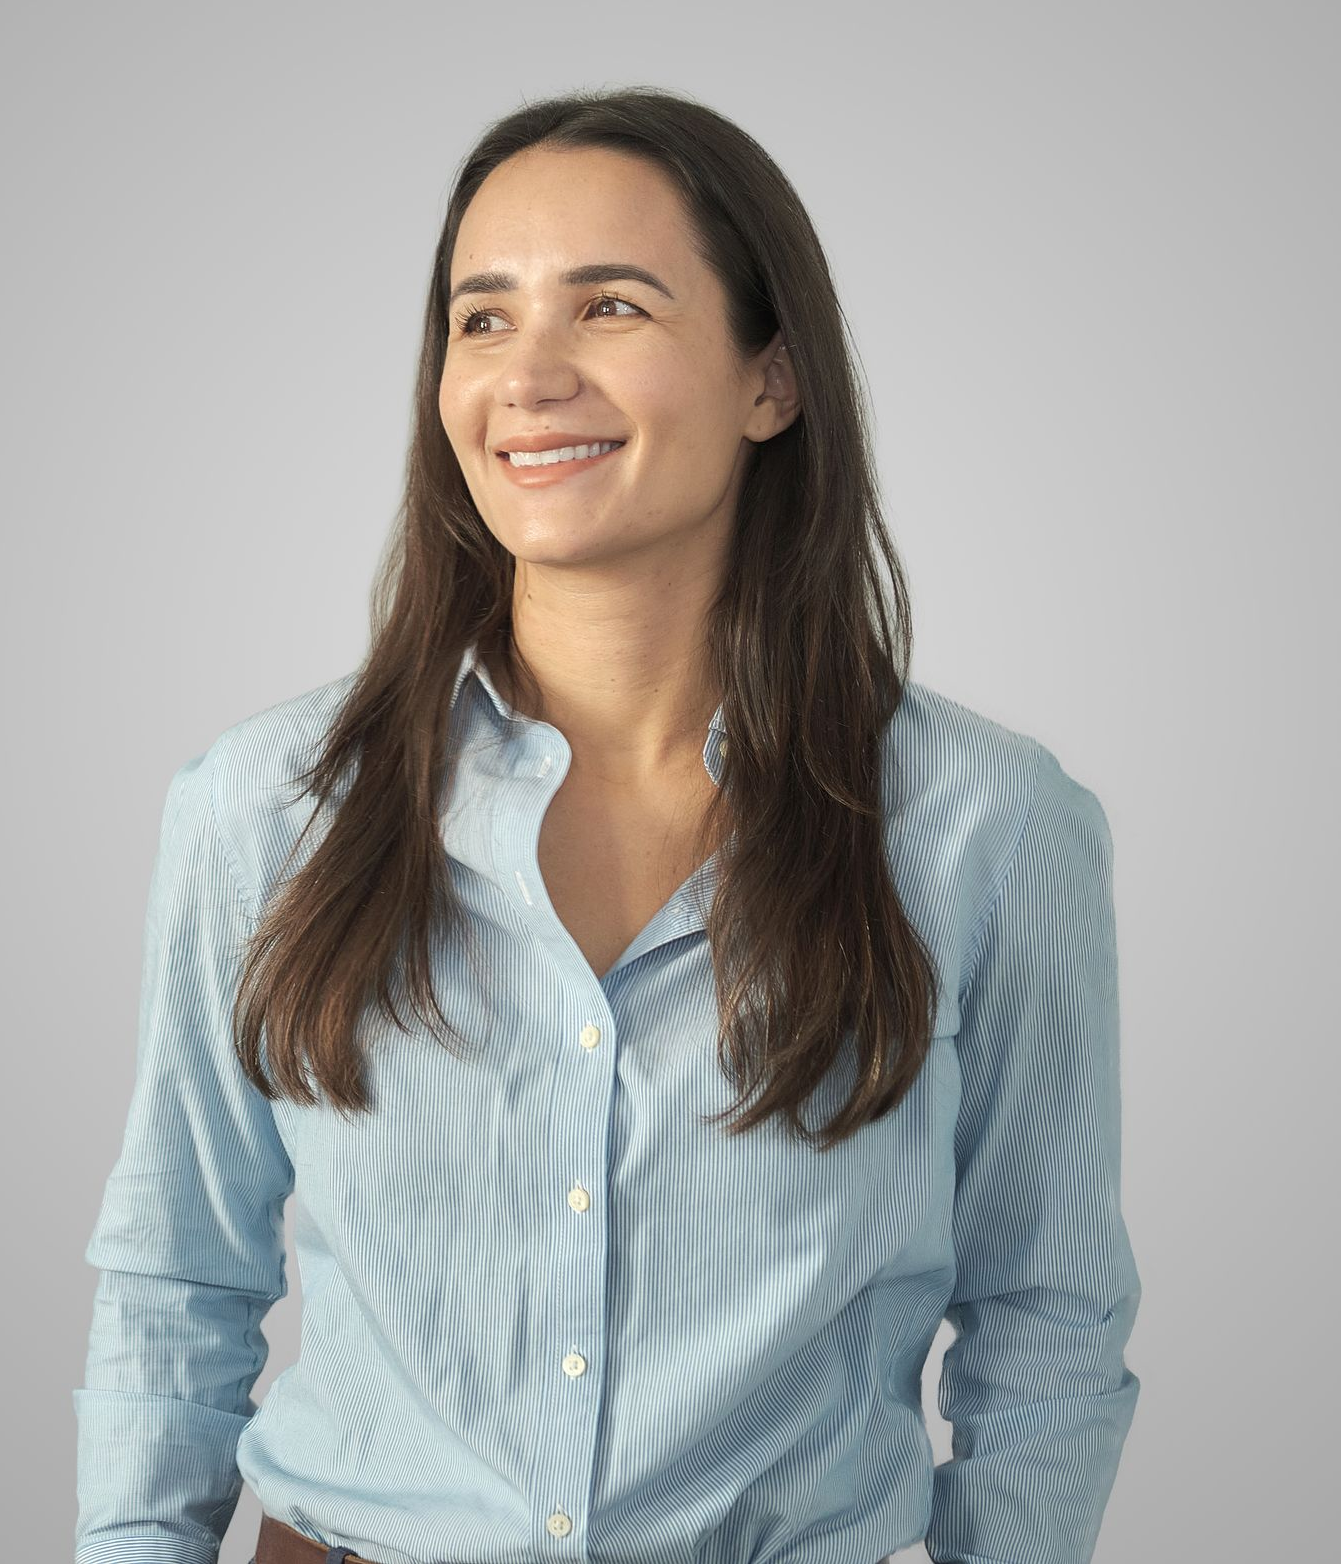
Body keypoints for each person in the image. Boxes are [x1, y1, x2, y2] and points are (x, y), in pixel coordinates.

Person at [73, 86, 1141, 1564]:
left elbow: (1049, 1318)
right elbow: (173, 1283)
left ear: (773, 380)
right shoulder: (266, 809)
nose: (529, 376)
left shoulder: (988, 828)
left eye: (611, 307)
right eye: (483, 318)